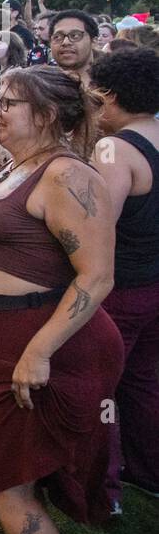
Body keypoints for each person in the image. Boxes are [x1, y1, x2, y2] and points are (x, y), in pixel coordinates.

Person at [0, 66, 122, 534]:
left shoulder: (67, 176)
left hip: (35, 344)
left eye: (9, 103)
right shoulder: (18, 164)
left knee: (4, 483)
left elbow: (97, 278)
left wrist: (37, 353)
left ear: (46, 116)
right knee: (16, 467)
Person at [89, 48, 159, 500]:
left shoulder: (115, 148)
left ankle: (102, 487)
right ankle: (149, 473)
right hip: (154, 284)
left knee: (100, 388)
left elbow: (98, 224)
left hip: (122, 291)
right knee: (145, 380)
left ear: (111, 96)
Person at [47, 9, 96, 79]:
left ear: (93, 41)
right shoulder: (39, 86)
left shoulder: (111, 84)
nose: (65, 42)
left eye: (75, 36)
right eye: (57, 37)